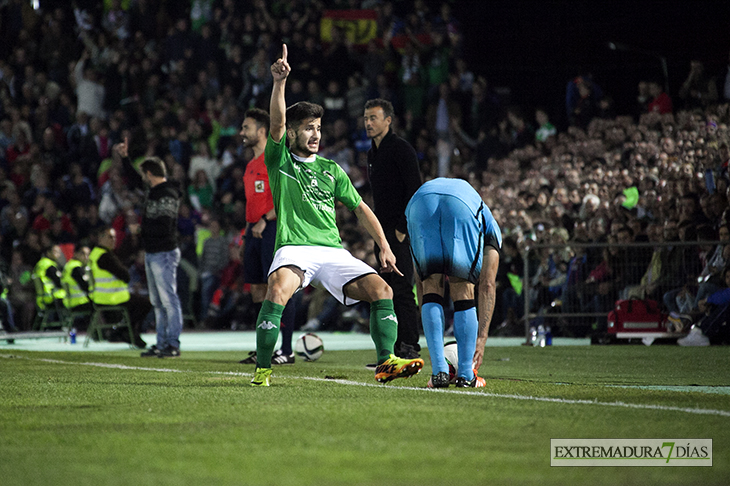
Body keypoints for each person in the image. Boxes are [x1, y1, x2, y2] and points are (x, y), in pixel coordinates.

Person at [250, 44, 424, 387]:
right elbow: (277, 121)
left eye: (318, 127)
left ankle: (386, 361)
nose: (316, 134)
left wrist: (385, 245)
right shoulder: (280, 161)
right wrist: (280, 83)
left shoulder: (332, 170)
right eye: (309, 128)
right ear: (294, 133)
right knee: (277, 292)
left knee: (382, 291)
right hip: (295, 248)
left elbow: (361, 208)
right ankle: (263, 370)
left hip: (331, 250)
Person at [405, 177, 501, 388]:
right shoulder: (492, 229)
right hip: (461, 205)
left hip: (419, 203)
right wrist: (481, 339)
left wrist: (434, 348)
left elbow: (420, 285)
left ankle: (439, 372)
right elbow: (487, 285)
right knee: (463, 288)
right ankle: (467, 374)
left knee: (431, 287)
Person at [237, 108, 297, 366]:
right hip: (253, 231)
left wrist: (265, 220)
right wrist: (245, 234)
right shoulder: (250, 166)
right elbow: (252, 203)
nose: (241, 132)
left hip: (272, 229)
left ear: (262, 131)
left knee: (278, 287)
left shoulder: (275, 161)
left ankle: (286, 349)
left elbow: (286, 197)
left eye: (246, 127)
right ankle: (264, 347)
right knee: (257, 291)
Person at [364, 97, 423, 359]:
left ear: (388, 120)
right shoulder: (372, 153)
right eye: (366, 118)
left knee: (400, 289)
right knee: (384, 290)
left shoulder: (402, 149)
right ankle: (391, 349)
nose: (368, 123)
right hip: (382, 232)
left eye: (373, 118)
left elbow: (415, 191)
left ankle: (409, 345)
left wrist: (402, 228)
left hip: (399, 232)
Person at [114, 139, 183, 358]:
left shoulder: (167, 193)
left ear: (151, 174)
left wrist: (139, 230)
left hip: (164, 252)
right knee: (158, 301)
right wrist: (125, 158)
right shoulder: (155, 190)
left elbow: (164, 225)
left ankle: (172, 343)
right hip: (154, 252)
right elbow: (134, 179)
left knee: (168, 300)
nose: (143, 178)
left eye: (145, 175)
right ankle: (162, 343)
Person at [88, 227, 151, 349]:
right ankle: (126, 332)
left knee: (138, 303)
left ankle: (124, 332)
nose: (114, 240)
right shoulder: (105, 256)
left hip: (102, 297)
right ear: (101, 238)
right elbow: (125, 275)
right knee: (146, 303)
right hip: (111, 298)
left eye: (115, 237)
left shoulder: (95, 254)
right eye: (110, 237)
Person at [61, 245, 92, 331]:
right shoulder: (76, 268)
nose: (86, 257)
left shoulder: (69, 265)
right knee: (100, 304)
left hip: (71, 301)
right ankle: (102, 332)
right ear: (76, 254)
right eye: (83, 254)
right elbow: (86, 287)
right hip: (78, 302)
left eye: (88, 254)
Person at [33, 244, 67, 323]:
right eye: (55, 252)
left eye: (59, 252)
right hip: (51, 297)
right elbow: (59, 283)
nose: (58, 254)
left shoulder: (41, 263)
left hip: (43, 297)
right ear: (48, 253)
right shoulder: (49, 266)